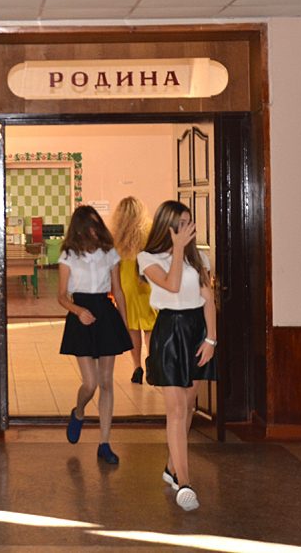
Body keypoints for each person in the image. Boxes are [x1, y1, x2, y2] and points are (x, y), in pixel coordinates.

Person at [137, 200, 216, 511]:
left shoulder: (199, 257)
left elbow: (208, 297)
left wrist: (211, 339)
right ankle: (184, 482)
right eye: (181, 224)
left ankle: (172, 468)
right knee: (177, 410)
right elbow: (171, 285)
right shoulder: (148, 258)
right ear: (167, 226)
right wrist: (178, 248)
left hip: (197, 331)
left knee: (189, 404)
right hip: (170, 331)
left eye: (189, 222)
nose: (188, 228)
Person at [58, 205, 133, 465]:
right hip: (81, 315)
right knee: (89, 384)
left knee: (106, 382)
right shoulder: (68, 254)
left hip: (105, 314)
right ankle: (78, 412)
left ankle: (104, 443)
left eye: (96, 225)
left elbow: (118, 291)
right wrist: (79, 311)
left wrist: (124, 324)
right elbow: (61, 296)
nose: (93, 230)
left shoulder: (109, 252)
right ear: (79, 229)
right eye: (88, 226)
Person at [111, 197, 157, 384]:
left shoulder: (116, 236)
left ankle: (137, 366)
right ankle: (151, 362)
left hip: (126, 284)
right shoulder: (151, 230)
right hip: (147, 281)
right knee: (150, 326)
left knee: (132, 326)